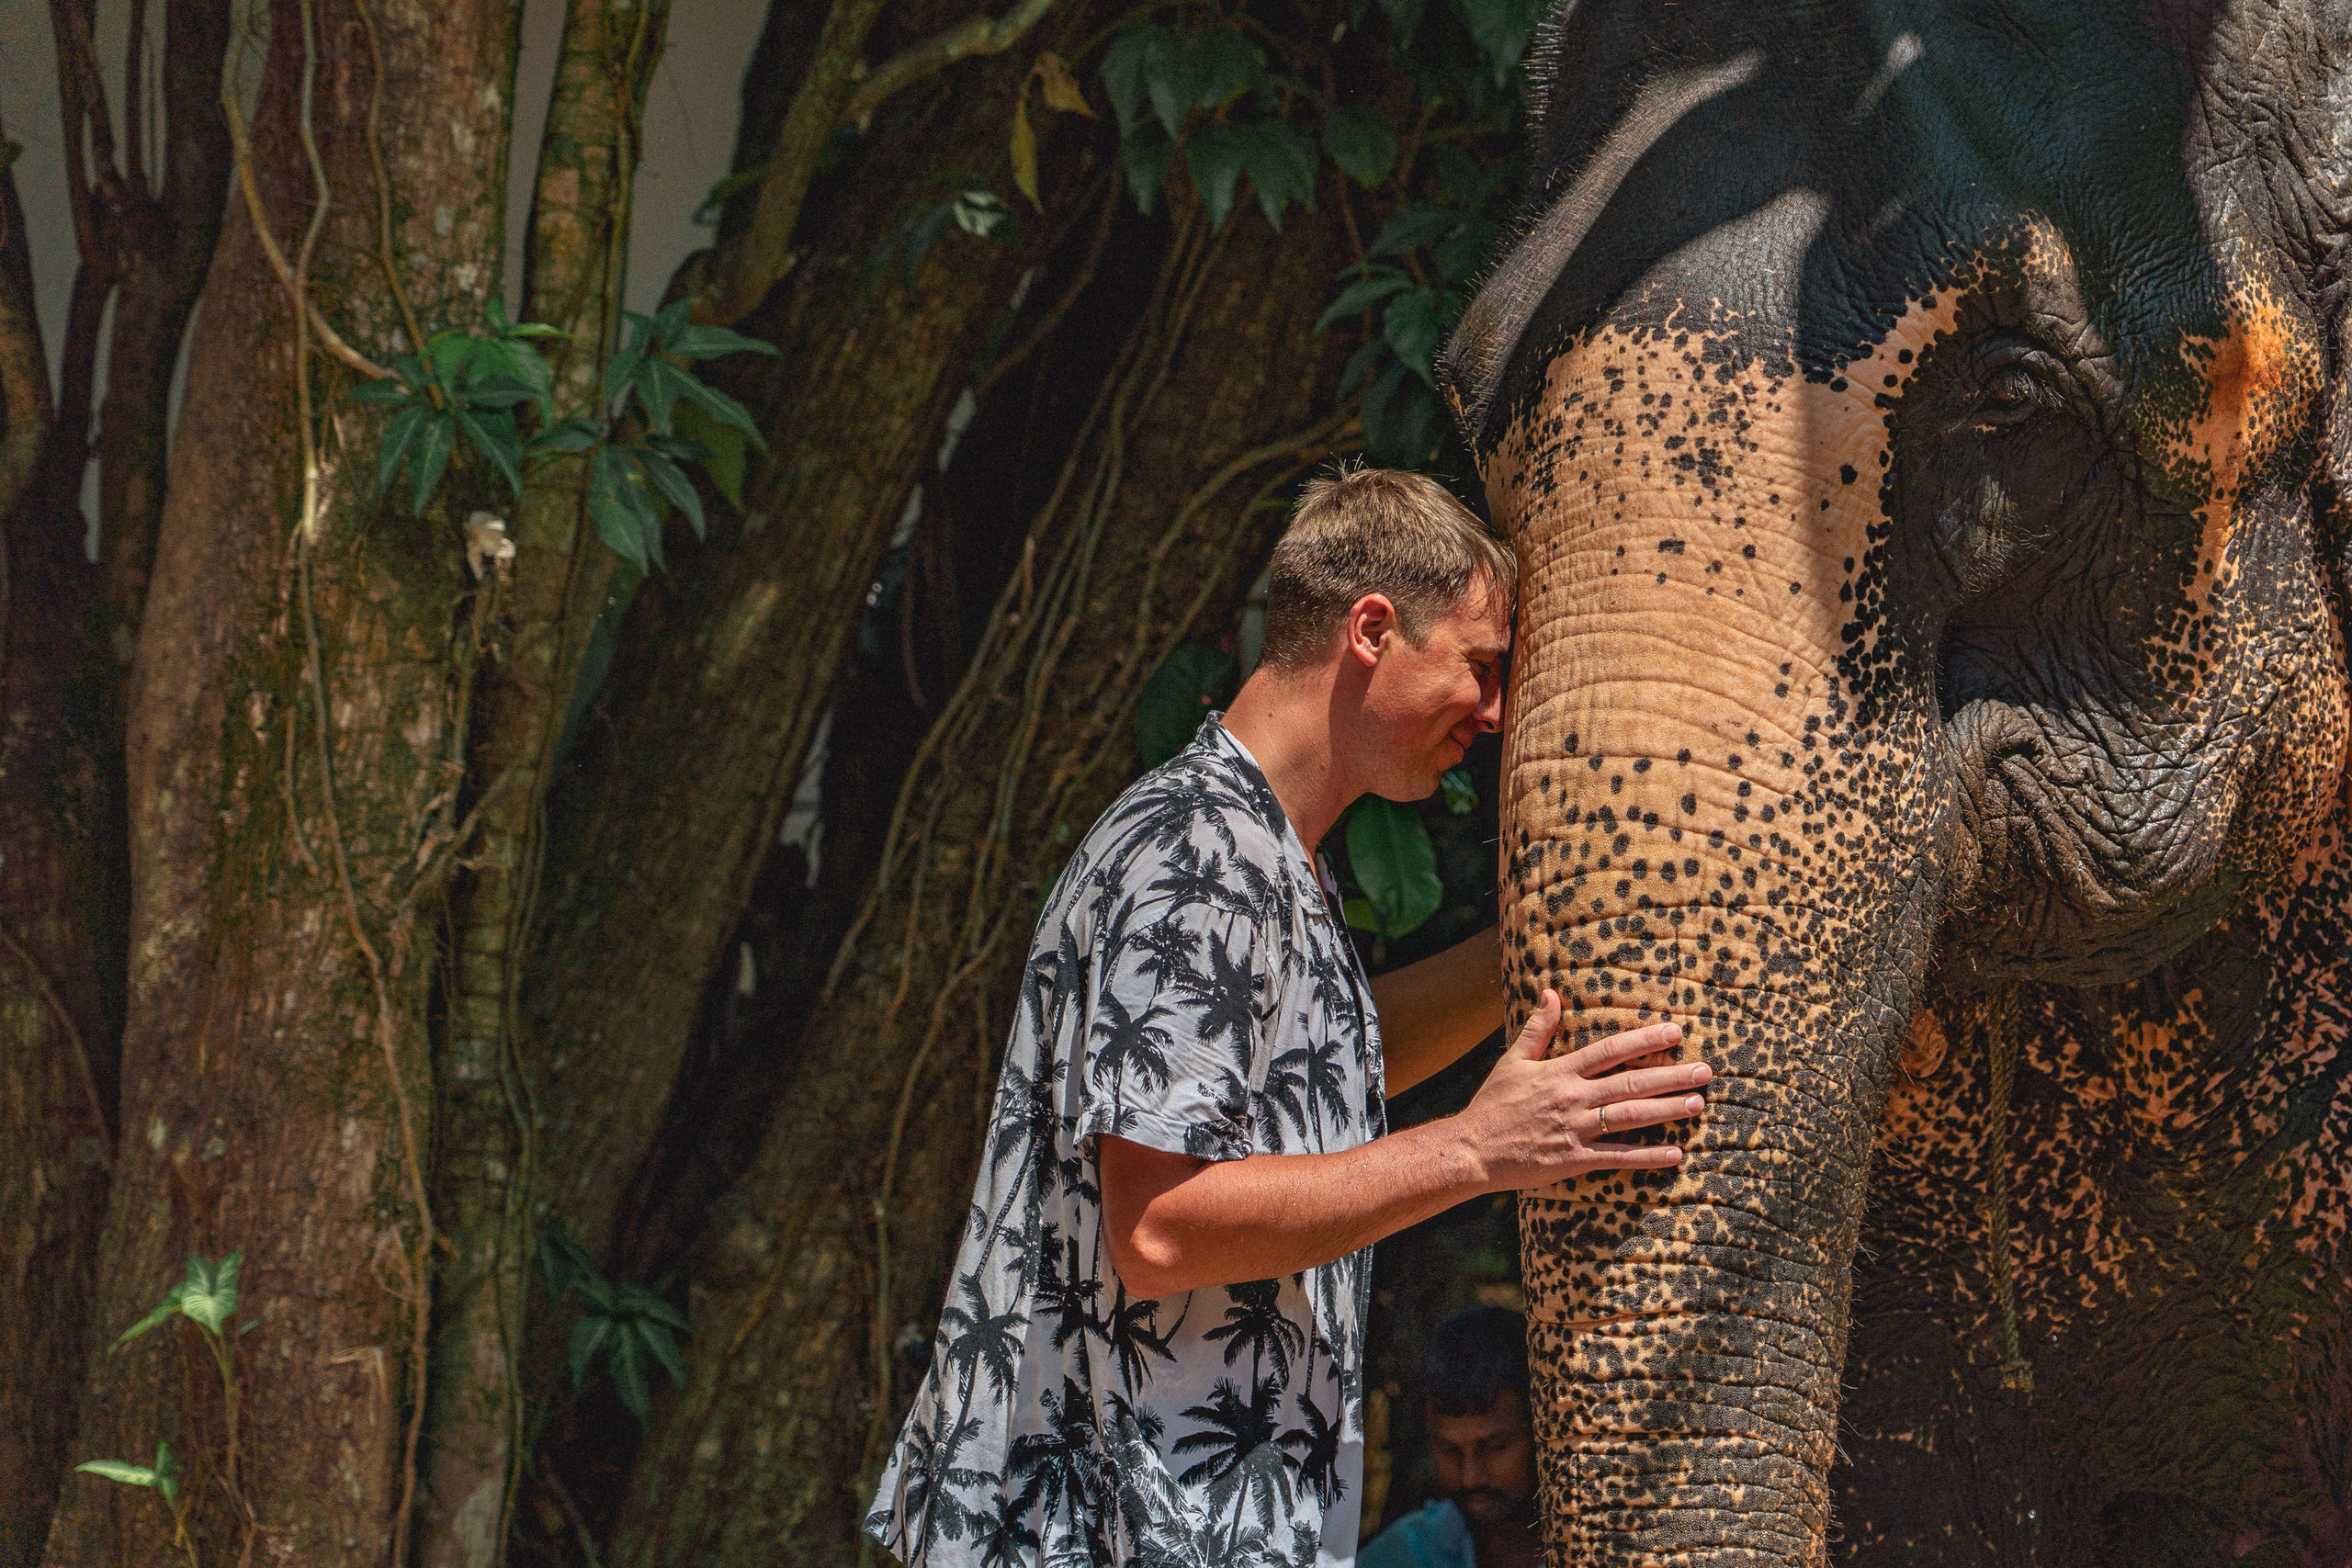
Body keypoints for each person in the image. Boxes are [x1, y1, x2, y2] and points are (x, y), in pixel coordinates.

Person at [865, 466, 1713, 1568]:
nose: (1497, 712)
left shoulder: (1258, 849)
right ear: (1372, 630)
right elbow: (1163, 1224)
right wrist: (1479, 1148)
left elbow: (1335, 1066)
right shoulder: (1200, 857)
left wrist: (1543, 928)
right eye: (1479, 666)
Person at [1360, 1307, 1540, 1568]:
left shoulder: (1598, 1546)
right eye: (1450, 1450)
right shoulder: (1405, 1553)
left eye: (1495, 1447)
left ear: (1542, 1434)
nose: (1470, 1477)